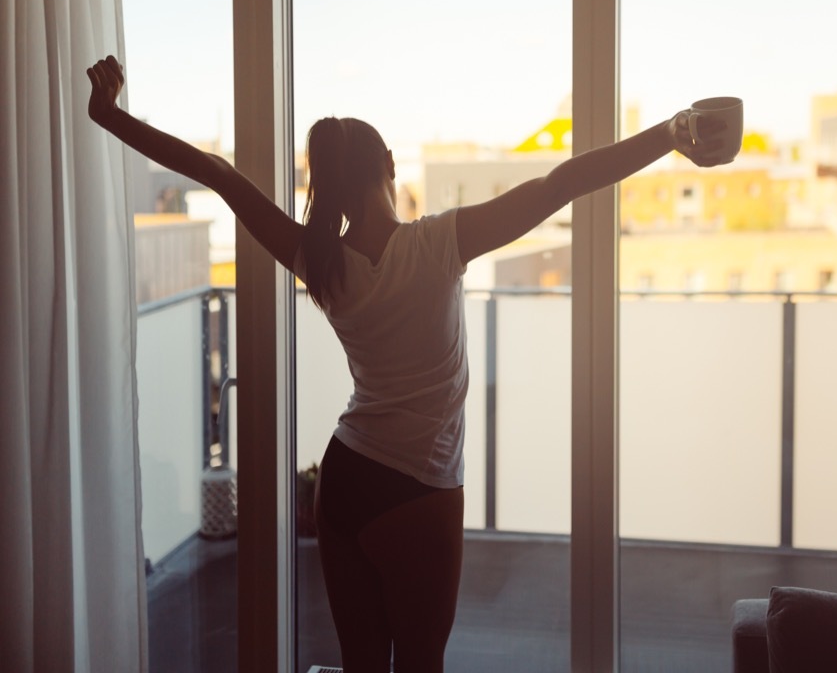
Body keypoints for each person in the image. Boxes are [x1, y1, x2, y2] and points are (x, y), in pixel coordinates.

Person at [85, 54, 731, 672]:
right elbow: (561, 182)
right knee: (421, 666)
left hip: (347, 478)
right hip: (419, 489)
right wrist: (672, 132)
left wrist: (110, 115)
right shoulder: (437, 243)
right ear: (389, 165)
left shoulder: (321, 261)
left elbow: (218, 175)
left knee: (364, 667)